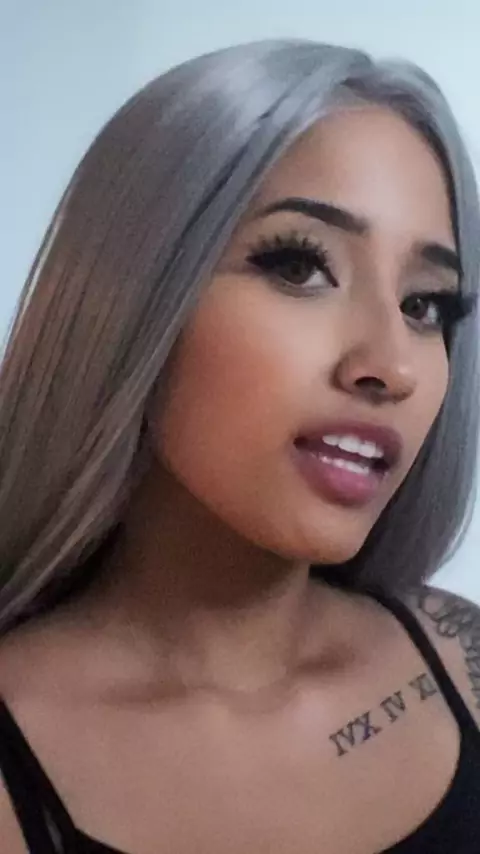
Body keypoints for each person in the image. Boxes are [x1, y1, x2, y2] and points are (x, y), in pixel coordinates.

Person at [0, 38, 479, 854]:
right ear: (134, 296)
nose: (392, 365)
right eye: (300, 265)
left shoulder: (464, 662)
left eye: (426, 304)